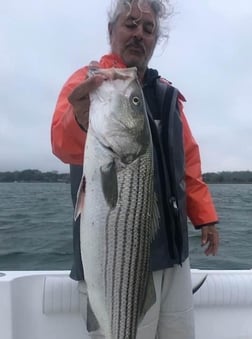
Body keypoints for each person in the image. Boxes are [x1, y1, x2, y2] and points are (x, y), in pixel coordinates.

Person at [51, 0, 219, 338]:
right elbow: (62, 143)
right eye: (130, 24)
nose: (139, 34)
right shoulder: (89, 83)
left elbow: (187, 163)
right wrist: (82, 118)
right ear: (111, 31)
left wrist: (205, 216)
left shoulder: (167, 95)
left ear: (156, 40)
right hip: (116, 257)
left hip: (173, 256)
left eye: (148, 29)